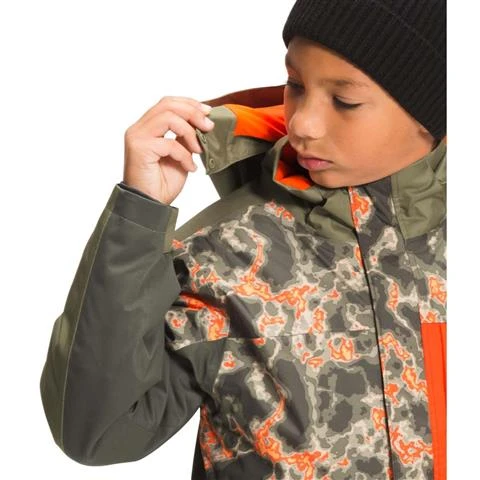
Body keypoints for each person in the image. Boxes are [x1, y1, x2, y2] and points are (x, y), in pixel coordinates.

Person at [39, 0, 446, 478]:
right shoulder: (228, 254)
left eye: (345, 100)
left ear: (432, 111)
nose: (302, 123)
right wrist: (138, 215)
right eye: (295, 85)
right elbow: (95, 431)